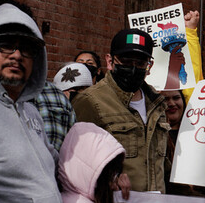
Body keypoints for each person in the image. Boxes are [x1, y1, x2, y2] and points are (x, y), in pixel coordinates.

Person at [0, 0, 62, 203]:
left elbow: (59, 166)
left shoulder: (30, 112)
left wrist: (106, 175)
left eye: (26, 48)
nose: (17, 55)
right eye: (6, 45)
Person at [72, 29, 170, 193]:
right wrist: (107, 177)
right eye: (126, 61)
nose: (133, 68)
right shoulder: (90, 101)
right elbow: (75, 160)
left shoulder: (157, 103)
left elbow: (163, 165)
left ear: (149, 66)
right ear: (110, 61)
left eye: (140, 63)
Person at [58, 122, 131, 203]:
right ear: (93, 176)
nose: (115, 187)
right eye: (110, 177)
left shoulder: (73, 201)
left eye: (116, 175)